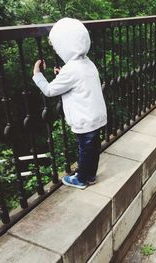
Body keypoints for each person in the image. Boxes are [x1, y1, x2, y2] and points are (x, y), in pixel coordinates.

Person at [32, 18, 107, 190]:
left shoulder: (71, 70)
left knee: (84, 149)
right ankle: (90, 175)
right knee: (93, 149)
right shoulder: (88, 63)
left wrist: (37, 74)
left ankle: (81, 179)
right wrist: (62, 74)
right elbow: (77, 82)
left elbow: (50, 90)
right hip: (98, 116)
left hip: (84, 119)